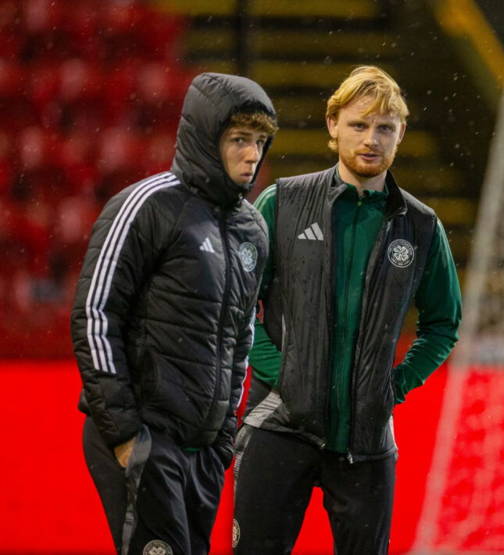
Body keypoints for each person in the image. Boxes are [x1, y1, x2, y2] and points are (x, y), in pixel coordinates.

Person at [233, 65, 462, 554]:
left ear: (401, 134)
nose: (371, 139)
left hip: (367, 442)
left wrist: (394, 385)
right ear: (332, 125)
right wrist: (284, 374)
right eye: (359, 125)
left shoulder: (421, 226)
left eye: (385, 127)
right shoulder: (283, 203)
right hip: (278, 425)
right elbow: (235, 306)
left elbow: (443, 325)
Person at [71, 72, 277, 555]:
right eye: (239, 140)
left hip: (202, 453)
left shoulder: (253, 230)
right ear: (207, 138)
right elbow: (96, 313)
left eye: (261, 142)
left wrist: (221, 439)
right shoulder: (146, 204)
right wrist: (125, 435)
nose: (253, 155)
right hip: (144, 437)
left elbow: (240, 339)